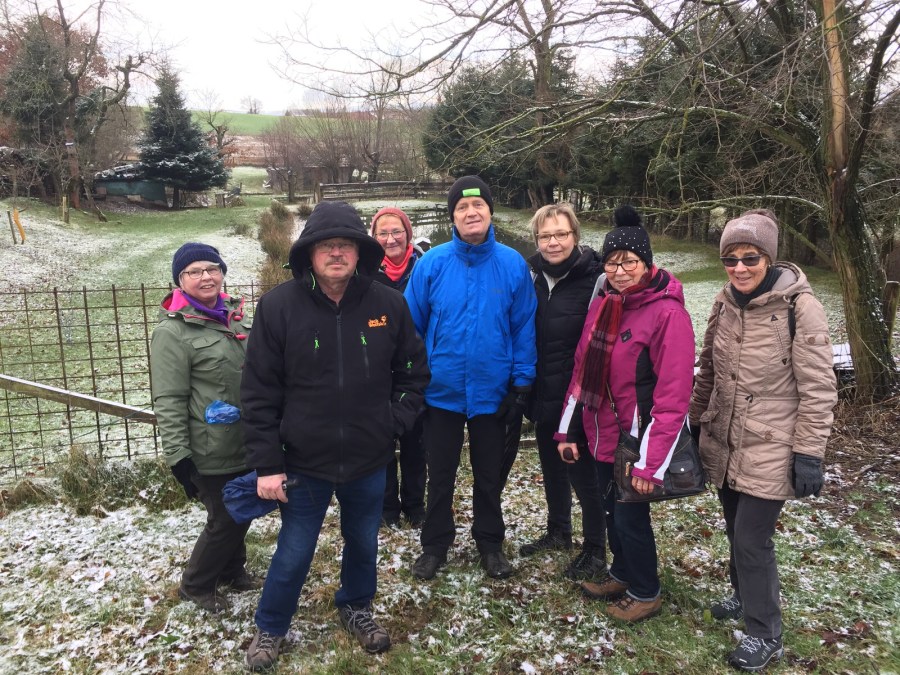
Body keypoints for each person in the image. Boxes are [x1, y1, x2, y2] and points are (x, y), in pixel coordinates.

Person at [239, 201, 429, 671]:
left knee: (363, 542)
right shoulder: (278, 307)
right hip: (304, 461)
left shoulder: (388, 304)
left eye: (346, 245)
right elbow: (259, 392)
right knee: (294, 550)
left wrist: (391, 423)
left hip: (369, 459)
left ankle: (356, 606)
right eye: (326, 246)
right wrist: (268, 464)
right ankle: (271, 624)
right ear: (309, 254)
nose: (337, 253)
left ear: (360, 252)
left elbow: (413, 373)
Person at [690, 209, 837, 671]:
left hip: (773, 442)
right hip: (725, 437)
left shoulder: (799, 308)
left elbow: (818, 388)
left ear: (769, 258)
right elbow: (708, 369)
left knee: (753, 540)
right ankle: (742, 595)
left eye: (749, 258)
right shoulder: (723, 303)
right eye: (730, 259)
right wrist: (695, 421)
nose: (739, 268)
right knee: (735, 528)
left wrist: (809, 453)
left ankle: (764, 632)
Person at [556, 205, 695, 623]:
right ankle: (621, 573)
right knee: (611, 511)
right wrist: (566, 431)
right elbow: (582, 370)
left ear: (647, 264)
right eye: (612, 263)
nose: (619, 272)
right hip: (601, 433)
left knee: (632, 517)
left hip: (636, 441)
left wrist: (651, 464)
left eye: (629, 262)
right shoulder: (605, 304)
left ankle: (645, 591)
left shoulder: (668, 314)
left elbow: (673, 396)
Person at [404, 175, 537, 581]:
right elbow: (411, 329)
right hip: (441, 392)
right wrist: (414, 382)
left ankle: (490, 543)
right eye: (462, 207)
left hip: (493, 393)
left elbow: (523, 327)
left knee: (489, 474)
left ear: (490, 212)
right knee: (440, 474)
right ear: (453, 217)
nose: (471, 212)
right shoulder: (432, 264)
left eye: (478, 205)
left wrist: (521, 383)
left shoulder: (512, 265)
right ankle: (435, 545)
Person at [150, 242, 256, 614]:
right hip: (209, 447)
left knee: (242, 507)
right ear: (180, 280)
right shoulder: (173, 332)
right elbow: (168, 398)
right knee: (225, 517)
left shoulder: (237, 317)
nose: (206, 277)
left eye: (212, 269)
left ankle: (231, 570)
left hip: (246, 439)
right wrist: (179, 456)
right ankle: (196, 585)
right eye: (194, 271)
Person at [519, 203, 609, 581]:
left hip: (578, 398)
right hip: (544, 392)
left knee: (583, 475)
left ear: (575, 236)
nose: (552, 242)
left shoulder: (596, 280)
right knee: (552, 467)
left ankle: (595, 548)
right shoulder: (532, 277)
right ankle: (559, 530)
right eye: (545, 236)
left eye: (560, 234)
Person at [370, 207, 427, 528]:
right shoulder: (365, 273)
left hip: (415, 370)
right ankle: (387, 506)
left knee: (416, 443)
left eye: (397, 232)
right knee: (381, 442)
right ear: (373, 237)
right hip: (376, 371)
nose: (390, 239)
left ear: (408, 234)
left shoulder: (424, 266)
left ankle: (415, 505)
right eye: (383, 233)